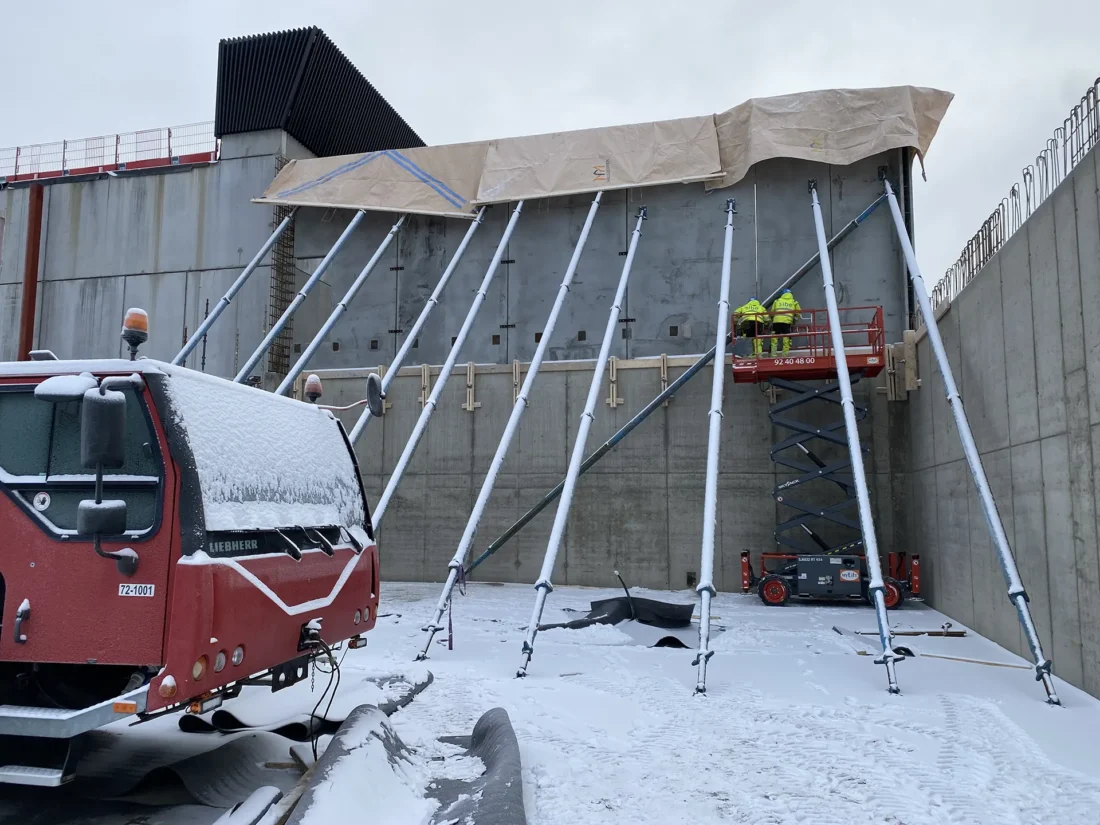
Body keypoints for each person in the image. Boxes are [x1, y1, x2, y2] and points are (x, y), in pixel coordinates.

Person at [768, 289, 801, 356]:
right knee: (786, 339)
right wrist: (794, 320)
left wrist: (772, 319)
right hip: (787, 323)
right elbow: (798, 313)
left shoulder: (777, 301)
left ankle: (773, 355)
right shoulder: (794, 302)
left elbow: (772, 312)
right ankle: (784, 356)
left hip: (776, 322)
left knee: (774, 339)